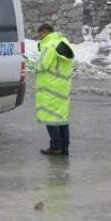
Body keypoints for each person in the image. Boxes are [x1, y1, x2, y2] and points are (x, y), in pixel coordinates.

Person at [27, 24, 75, 156]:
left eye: (40, 35)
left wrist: (29, 61)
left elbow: (40, 66)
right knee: (62, 118)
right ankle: (64, 147)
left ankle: (55, 147)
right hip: (63, 87)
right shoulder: (63, 42)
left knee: (50, 118)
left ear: (44, 33)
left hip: (50, 88)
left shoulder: (49, 46)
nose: (40, 38)